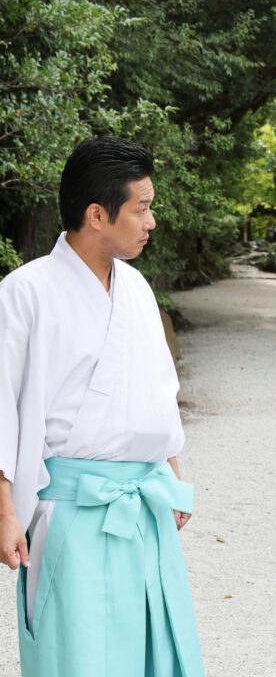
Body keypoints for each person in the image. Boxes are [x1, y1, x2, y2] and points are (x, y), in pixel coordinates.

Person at [0, 137, 204, 676]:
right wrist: (5, 510)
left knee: (151, 649)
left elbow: (157, 390)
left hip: (144, 505)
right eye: (142, 208)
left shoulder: (136, 289)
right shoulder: (24, 292)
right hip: (71, 508)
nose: (151, 221)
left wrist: (172, 472)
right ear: (97, 214)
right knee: (78, 655)